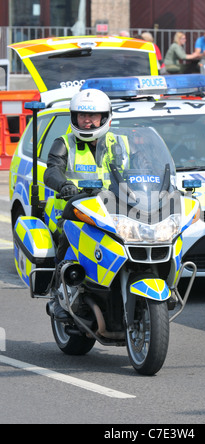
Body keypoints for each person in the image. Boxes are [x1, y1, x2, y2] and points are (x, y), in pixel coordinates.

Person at [44, 89, 114, 321]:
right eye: (82, 115)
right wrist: (63, 185)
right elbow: (52, 170)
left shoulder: (118, 143)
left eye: (93, 116)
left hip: (110, 208)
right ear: (74, 118)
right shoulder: (64, 142)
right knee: (68, 232)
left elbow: (137, 169)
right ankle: (59, 292)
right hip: (71, 209)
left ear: (104, 118)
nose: (87, 120)